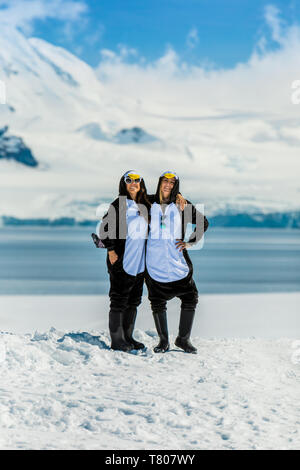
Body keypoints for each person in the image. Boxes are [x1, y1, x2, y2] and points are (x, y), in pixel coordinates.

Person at [92, 170, 187, 352]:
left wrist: (179, 194)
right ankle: (117, 340)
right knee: (119, 299)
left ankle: (128, 336)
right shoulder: (119, 204)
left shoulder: (146, 202)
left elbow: (164, 194)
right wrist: (111, 250)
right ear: (124, 184)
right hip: (121, 260)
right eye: (129, 181)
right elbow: (104, 228)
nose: (133, 184)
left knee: (134, 300)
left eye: (137, 181)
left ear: (141, 184)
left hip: (139, 262)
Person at [145, 171, 209, 354]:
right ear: (159, 183)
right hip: (154, 264)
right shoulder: (147, 202)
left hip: (177, 263)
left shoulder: (182, 204)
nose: (168, 185)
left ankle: (183, 339)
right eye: (165, 181)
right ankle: (163, 342)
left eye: (172, 183)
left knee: (190, 298)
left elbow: (203, 222)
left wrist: (191, 242)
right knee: (157, 302)